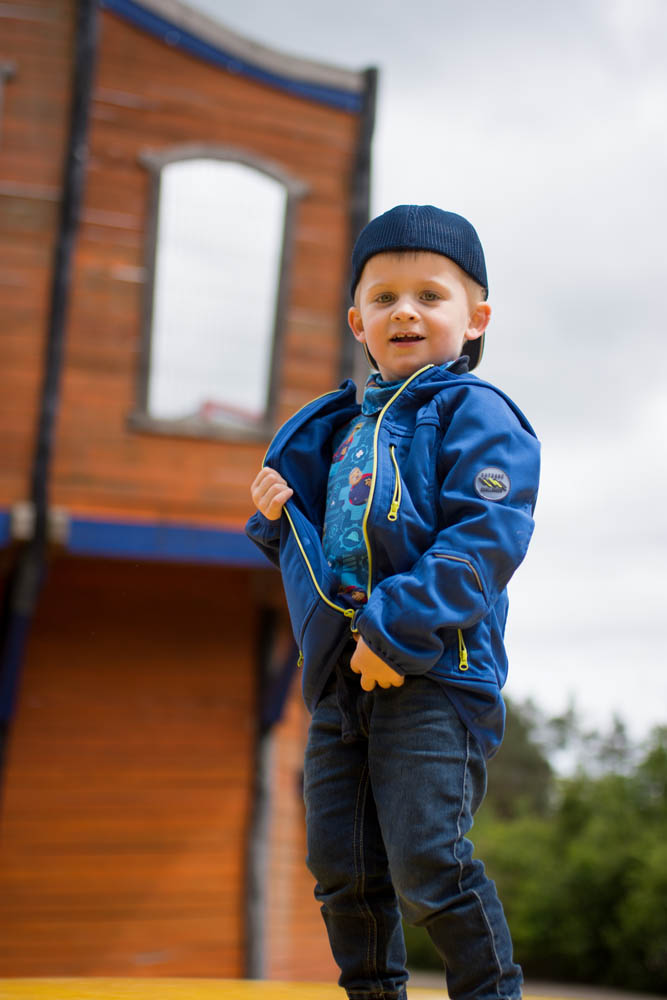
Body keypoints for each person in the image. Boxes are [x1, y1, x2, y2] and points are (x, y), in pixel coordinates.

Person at [246, 204, 540, 1000]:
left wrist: (392, 627)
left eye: (429, 296)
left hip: (436, 675)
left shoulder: (474, 415)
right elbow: (331, 549)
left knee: (427, 865)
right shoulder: (340, 428)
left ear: (474, 318)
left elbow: (484, 537)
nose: (404, 310)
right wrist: (280, 517)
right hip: (341, 683)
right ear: (357, 320)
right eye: (383, 297)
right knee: (342, 870)